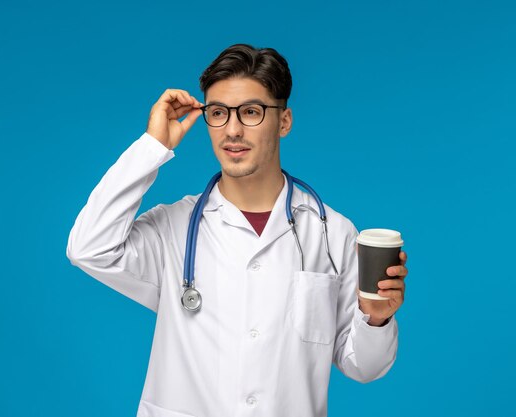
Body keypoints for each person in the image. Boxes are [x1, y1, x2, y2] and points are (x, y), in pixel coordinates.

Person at [66, 44, 409, 417]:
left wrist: (377, 317)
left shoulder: (333, 234)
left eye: (250, 112)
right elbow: (89, 247)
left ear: (284, 121)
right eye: (217, 113)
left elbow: (364, 366)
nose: (232, 130)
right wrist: (153, 147)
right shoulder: (173, 227)